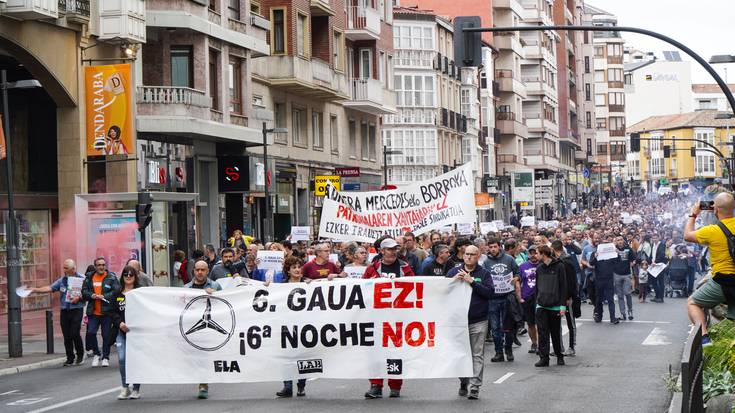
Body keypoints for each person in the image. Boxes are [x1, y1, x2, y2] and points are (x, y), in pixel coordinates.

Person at [363, 237, 415, 399]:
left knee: (395, 352)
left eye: (395, 249)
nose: (393, 252)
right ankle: (376, 385)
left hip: (398, 318)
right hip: (377, 318)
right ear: (382, 251)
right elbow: (361, 289)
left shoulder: (405, 268)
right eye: (390, 249)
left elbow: (415, 286)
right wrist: (370, 283)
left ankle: (395, 385)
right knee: (375, 352)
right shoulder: (372, 269)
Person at [684, 193, 735, 346]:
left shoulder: (712, 231)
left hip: (722, 282)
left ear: (715, 210)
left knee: (692, 303)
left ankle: (705, 339)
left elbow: (687, 235)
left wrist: (694, 214)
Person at [447, 245, 494, 400]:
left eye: (472, 254)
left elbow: (489, 293)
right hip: (458, 321)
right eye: (466, 254)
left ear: (478, 256)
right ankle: (463, 380)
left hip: (478, 320)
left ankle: (475, 387)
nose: (468, 257)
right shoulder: (454, 271)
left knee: (477, 354)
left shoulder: (484, 273)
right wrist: (453, 281)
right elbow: (443, 292)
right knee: (460, 354)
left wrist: (472, 282)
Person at [30, 259, 85, 366]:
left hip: (76, 309)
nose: (64, 270)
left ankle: (80, 354)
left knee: (74, 333)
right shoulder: (62, 280)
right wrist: (35, 290)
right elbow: (50, 288)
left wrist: (79, 298)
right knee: (66, 335)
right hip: (65, 310)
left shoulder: (82, 279)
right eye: (64, 267)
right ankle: (70, 358)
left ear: (73, 269)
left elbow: (88, 292)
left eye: (66, 268)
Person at [185, 260, 222, 399]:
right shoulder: (186, 288)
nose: (200, 272)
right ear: (194, 271)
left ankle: (203, 384)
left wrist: (216, 295)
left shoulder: (215, 286)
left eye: (203, 270)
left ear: (207, 271)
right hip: (192, 326)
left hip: (208, 330)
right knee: (193, 357)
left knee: (203, 357)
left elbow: (226, 304)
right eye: (197, 270)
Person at [482, 237, 520, 363]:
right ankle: (498, 352)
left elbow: (518, 272)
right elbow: (483, 278)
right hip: (493, 299)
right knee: (495, 327)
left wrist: (516, 278)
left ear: (499, 246)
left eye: (495, 246)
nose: (493, 249)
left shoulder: (509, 259)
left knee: (508, 326)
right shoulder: (486, 262)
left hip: (507, 297)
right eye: (490, 247)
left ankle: (508, 349)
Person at [276, 256, 309, 397]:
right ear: (288, 271)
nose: (297, 269)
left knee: (303, 356)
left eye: (299, 267)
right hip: (286, 325)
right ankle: (287, 386)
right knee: (286, 356)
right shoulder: (281, 286)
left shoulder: (308, 284)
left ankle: (301, 385)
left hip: (304, 326)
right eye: (293, 267)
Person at [81, 257, 120, 367]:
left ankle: (105, 357)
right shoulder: (89, 277)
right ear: (95, 266)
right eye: (99, 265)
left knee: (106, 335)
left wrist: (105, 296)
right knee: (91, 333)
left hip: (107, 312)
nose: (101, 267)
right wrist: (91, 295)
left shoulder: (111, 277)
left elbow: (117, 290)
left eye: (103, 265)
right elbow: (84, 291)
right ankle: (97, 354)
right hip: (93, 312)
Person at [111, 265, 142, 400]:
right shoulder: (117, 294)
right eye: (125, 274)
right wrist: (120, 323)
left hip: (137, 333)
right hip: (121, 332)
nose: (128, 277)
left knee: (136, 360)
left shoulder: (140, 293)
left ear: (135, 277)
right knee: (122, 359)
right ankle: (125, 387)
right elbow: (112, 312)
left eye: (131, 274)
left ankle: (136, 389)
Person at [534, 245, 568, 367]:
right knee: (542, 333)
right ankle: (544, 358)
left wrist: (563, 305)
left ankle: (559, 355)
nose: (536, 255)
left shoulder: (559, 266)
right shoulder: (539, 268)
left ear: (543, 254)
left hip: (555, 306)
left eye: (537, 253)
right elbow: (537, 287)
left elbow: (563, 286)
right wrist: (537, 302)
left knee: (555, 333)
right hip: (541, 305)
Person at [590, 236, 619, 324]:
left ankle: (612, 318)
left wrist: (617, 254)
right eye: (604, 243)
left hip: (609, 279)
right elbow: (591, 263)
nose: (605, 245)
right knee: (599, 299)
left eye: (607, 243)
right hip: (599, 279)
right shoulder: (595, 253)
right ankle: (599, 316)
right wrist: (595, 257)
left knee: (610, 299)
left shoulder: (612, 254)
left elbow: (618, 262)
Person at [518, 246, 539, 354]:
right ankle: (534, 343)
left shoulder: (542, 265)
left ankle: (541, 344)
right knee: (530, 323)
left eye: (535, 253)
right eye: (531, 253)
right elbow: (518, 282)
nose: (533, 255)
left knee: (540, 323)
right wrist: (519, 296)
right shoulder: (522, 266)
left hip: (540, 298)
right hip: (527, 297)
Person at [612, 236, 636, 321]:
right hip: (617, 274)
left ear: (623, 241)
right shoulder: (613, 250)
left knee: (627, 293)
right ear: (616, 241)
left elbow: (634, 259)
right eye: (618, 240)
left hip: (626, 274)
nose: (620, 241)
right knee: (620, 295)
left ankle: (630, 311)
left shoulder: (628, 249)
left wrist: (633, 262)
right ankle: (623, 313)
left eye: (621, 240)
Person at [649, 233, 669, 303]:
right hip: (653, 265)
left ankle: (661, 297)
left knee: (660, 281)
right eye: (653, 238)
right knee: (653, 281)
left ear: (658, 238)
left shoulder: (662, 245)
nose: (654, 239)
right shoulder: (652, 245)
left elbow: (662, 255)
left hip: (659, 265)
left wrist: (656, 261)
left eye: (656, 238)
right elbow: (652, 254)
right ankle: (657, 296)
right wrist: (650, 261)